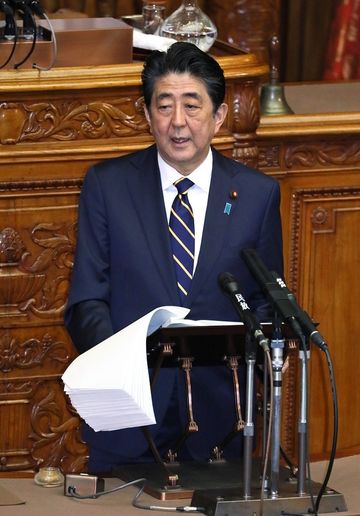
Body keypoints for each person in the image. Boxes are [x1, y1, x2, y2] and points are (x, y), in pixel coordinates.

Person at [64, 42, 283, 473]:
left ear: (219, 116)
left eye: (192, 106)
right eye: (164, 106)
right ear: (147, 115)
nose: (178, 123)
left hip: (225, 418)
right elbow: (86, 301)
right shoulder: (108, 186)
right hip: (129, 415)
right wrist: (123, 373)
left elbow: (265, 303)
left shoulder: (256, 195)